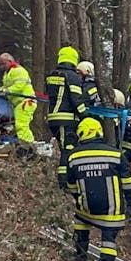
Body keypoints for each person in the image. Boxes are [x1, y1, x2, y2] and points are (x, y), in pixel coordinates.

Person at [65, 117, 131, 261]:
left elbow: (71, 185)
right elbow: (128, 183)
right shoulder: (116, 155)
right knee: (108, 239)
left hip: (86, 208)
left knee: (81, 224)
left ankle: (80, 257)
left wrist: (78, 199)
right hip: (112, 209)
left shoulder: (74, 156)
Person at [44, 47, 87, 185]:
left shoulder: (52, 75)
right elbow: (76, 100)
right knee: (67, 150)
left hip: (52, 118)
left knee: (64, 148)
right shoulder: (73, 76)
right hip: (67, 120)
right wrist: (85, 116)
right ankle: (64, 182)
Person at [0, 52, 36, 151]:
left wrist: (6, 91)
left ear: (10, 61)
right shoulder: (8, 73)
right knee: (20, 125)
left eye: (4, 64)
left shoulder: (18, 70)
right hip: (19, 103)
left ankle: (28, 147)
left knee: (21, 125)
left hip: (25, 102)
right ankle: (26, 145)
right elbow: (8, 87)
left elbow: (19, 86)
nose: (2, 66)